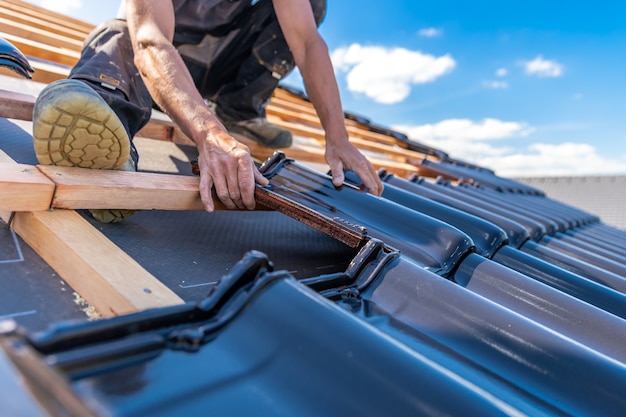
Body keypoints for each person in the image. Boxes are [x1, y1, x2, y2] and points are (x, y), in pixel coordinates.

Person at [32, 0, 384, 223]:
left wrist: (338, 137)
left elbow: (307, 44)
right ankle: (107, 112)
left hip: (215, 69)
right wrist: (209, 134)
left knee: (312, 6)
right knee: (118, 35)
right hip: (156, 65)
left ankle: (238, 111)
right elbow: (150, 42)